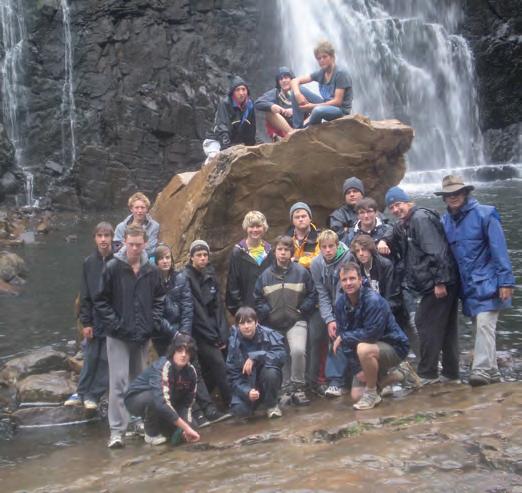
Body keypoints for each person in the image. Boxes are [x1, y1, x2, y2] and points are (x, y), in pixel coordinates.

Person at [436, 175, 515, 386]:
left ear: (465, 193)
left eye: (457, 193)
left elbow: (499, 250)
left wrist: (506, 282)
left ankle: (479, 370)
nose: (453, 197)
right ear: (444, 198)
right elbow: (444, 257)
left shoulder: (486, 214)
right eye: (449, 194)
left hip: (490, 282)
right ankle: (493, 373)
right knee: (481, 328)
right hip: (468, 287)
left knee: (484, 325)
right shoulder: (445, 222)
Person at [382, 186, 460, 385]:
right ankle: (451, 372)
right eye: (392, 207)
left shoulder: (420, 219)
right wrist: (382, 240)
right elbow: (394, 232)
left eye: (398, 204)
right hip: (437, 282)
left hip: (439, 283)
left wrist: (440, 281)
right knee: (447, 327)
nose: (396, 209)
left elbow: (436, 251)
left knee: (424, 323)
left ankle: (427, 373)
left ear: (408, 202)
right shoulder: (406, 222)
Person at [96, 225, 165, 448]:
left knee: (139, 381)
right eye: (131, 244)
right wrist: (116, 324)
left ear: (145, 243)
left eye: (139, 244)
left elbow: (159, 299)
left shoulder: (151, 270)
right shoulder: (112, 267)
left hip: (142, 334)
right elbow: (101, 300)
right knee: (118, 381)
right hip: (118, 335)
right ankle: (117, 431)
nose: (135, 248)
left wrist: (152, 323)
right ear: (124, 241)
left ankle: (139, 421)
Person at [154, 244, 230, 427]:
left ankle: (209, 409)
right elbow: (155, 314)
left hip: (185, 333)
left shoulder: (180, 278)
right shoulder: (151, 282)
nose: (165, 261)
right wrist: (175, 334)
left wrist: (184, 334)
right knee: (175, 374)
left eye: (168, 257)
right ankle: (194, 413)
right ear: (155, 262)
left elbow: (188, 307)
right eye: (161, 258)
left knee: (194, 370)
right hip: (163, 336)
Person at [333, 262, 419, 410]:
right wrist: (357, 369)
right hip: (367, 351)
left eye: (352, 278)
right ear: (340, 282)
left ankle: (372, 393)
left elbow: (371, 334)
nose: (348, 283)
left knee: (363, 349)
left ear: (360, 280)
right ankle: (401, 373)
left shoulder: (373, 300)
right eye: (344, 280)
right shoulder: (340, 303)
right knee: (356, 396)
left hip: (393, 346)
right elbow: (344, 339)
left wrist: (344, 337)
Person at [254, 235, 317, 405]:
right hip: (273, 323)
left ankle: (298, 387)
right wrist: (267, 312)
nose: (282, 253)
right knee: (279, 355)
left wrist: (302, 309)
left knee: (298, 351)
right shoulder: (265, 275)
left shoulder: (301, 272)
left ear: (292, 252)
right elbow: (258, 298)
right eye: (279, 249)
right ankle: (284, 388)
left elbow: (312, 294)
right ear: (274, 252)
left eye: (286, 250)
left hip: (296, 320)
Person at [64, 222, 114, 411]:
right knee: (91, 355)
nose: (103, 239)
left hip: (112, 320)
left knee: (106, 360)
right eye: (100, 236)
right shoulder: (89, 262)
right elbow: (85, 294)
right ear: (94, 238)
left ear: (112, 238)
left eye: (106, 236)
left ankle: (94, 394)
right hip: (94, 317)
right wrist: (86, 322)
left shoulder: (118, 262)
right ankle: (81, 392)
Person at [125, 334, 200, 446]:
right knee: (154, 399)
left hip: (166, 402)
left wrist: (186, 427)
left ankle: (159, 428)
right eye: (179, 350)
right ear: (173, 351)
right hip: (136, 399)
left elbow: (187, 404)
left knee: (192, 426)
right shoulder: (163, 366)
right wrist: (186, 428)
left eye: (188, 352)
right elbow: (161, 402)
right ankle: (151, 433)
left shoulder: (191, 372)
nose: (183, 355)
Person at [184, 240, 231, 406]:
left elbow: (219, 306)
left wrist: (222, 333)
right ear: (191, 257)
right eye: (199, 255)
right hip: (199, 332)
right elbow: (197, 312)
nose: (203, 258)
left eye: (205, 255)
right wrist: (212, 337)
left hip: (215, 329)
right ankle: (231, 401)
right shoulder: (186, 278)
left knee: (223, 362)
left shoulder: (210, 274)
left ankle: (222, 399)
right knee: (218, 363)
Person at [310, 229, 352, 397]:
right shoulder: (316, 264)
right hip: (329, 306)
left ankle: (340, 381)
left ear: (337, 245)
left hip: (348, 303)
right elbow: (322, 293)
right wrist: (329, 320)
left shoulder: (348, 258)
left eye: (331, 246)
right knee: (325, 334)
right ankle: (330, 381)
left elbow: (344, 291)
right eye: (324, 247)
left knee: (341, 335)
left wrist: (338, 319)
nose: (328, 250)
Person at [226, 307, 287, 419]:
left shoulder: (268, 334)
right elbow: (233, 376)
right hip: (247, 383)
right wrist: (247, 391)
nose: (246, 326)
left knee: (271, 372)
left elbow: (281, 356)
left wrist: (256, 357)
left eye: (249, 322)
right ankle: (257, 403)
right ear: (238, 326)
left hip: (265, 378)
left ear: (256, 322)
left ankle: (272, 405)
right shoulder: (233, 343)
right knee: (239, 411)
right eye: (242, 323)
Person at [290, 40, 353, 128]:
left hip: (340, 111)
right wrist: (298, 95)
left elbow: (337, 102)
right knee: (296, 90)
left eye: (324, 57)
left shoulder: (341, 74)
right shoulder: (321, 73)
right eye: (319, 58)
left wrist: (312, 106)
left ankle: (310, 129)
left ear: (332, 57)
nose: (322, 60)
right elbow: (294, 81)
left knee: (317, 111)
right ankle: (297, 129)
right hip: (325, 105)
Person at [226, 211, 272, 316]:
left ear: (264, 228)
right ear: (246, 228)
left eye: (258, 226)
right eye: (251, 226)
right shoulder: (238, 252)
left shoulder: (269, 251)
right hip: (246, 310)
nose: (255, 230)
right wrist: (240, 309)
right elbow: (233, 284)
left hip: (267, 310)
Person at [203, 76, 256, 163]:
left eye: (243, 89)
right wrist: (226, 150)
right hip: (215, 141)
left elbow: (251, 129)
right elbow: (222, 127)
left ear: (247, 91)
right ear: (232, 92)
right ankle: (206, 169)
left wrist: (251, 148)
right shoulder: (225, 104)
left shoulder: (250, 105)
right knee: (216, 158)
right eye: (237, 90)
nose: (241, 93)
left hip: (233, 143)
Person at [254, 66, 296, 140]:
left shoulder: (300, 90)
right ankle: (292, 133)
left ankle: (297, 133)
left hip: (300, 123)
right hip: (284, 129)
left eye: (286, 77)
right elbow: (258, 103)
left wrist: (295, 110)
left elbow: (314, 104)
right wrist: (272, 106)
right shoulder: (275, 93)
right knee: (269, 112)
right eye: (281, 79)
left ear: (291, 78)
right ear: (278, 82)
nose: (284, 80)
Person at [114, 192, 160, 257]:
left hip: (146, 259)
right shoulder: (121, 227)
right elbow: (116, 248)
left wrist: (128, 246)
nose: (140, 211)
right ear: (131, 209)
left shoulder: (154, 226)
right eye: (137, 207)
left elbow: (151, 250)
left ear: (147, 209)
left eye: (142, 207)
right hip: (124, 259)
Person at [286, 201, 321, 270]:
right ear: (292, 221)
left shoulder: (320, 237)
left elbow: (320, 260)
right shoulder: (286, 239)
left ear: (310, 218)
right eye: (297, 217)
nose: (301, 219)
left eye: (303, 216)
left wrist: (297, 261)